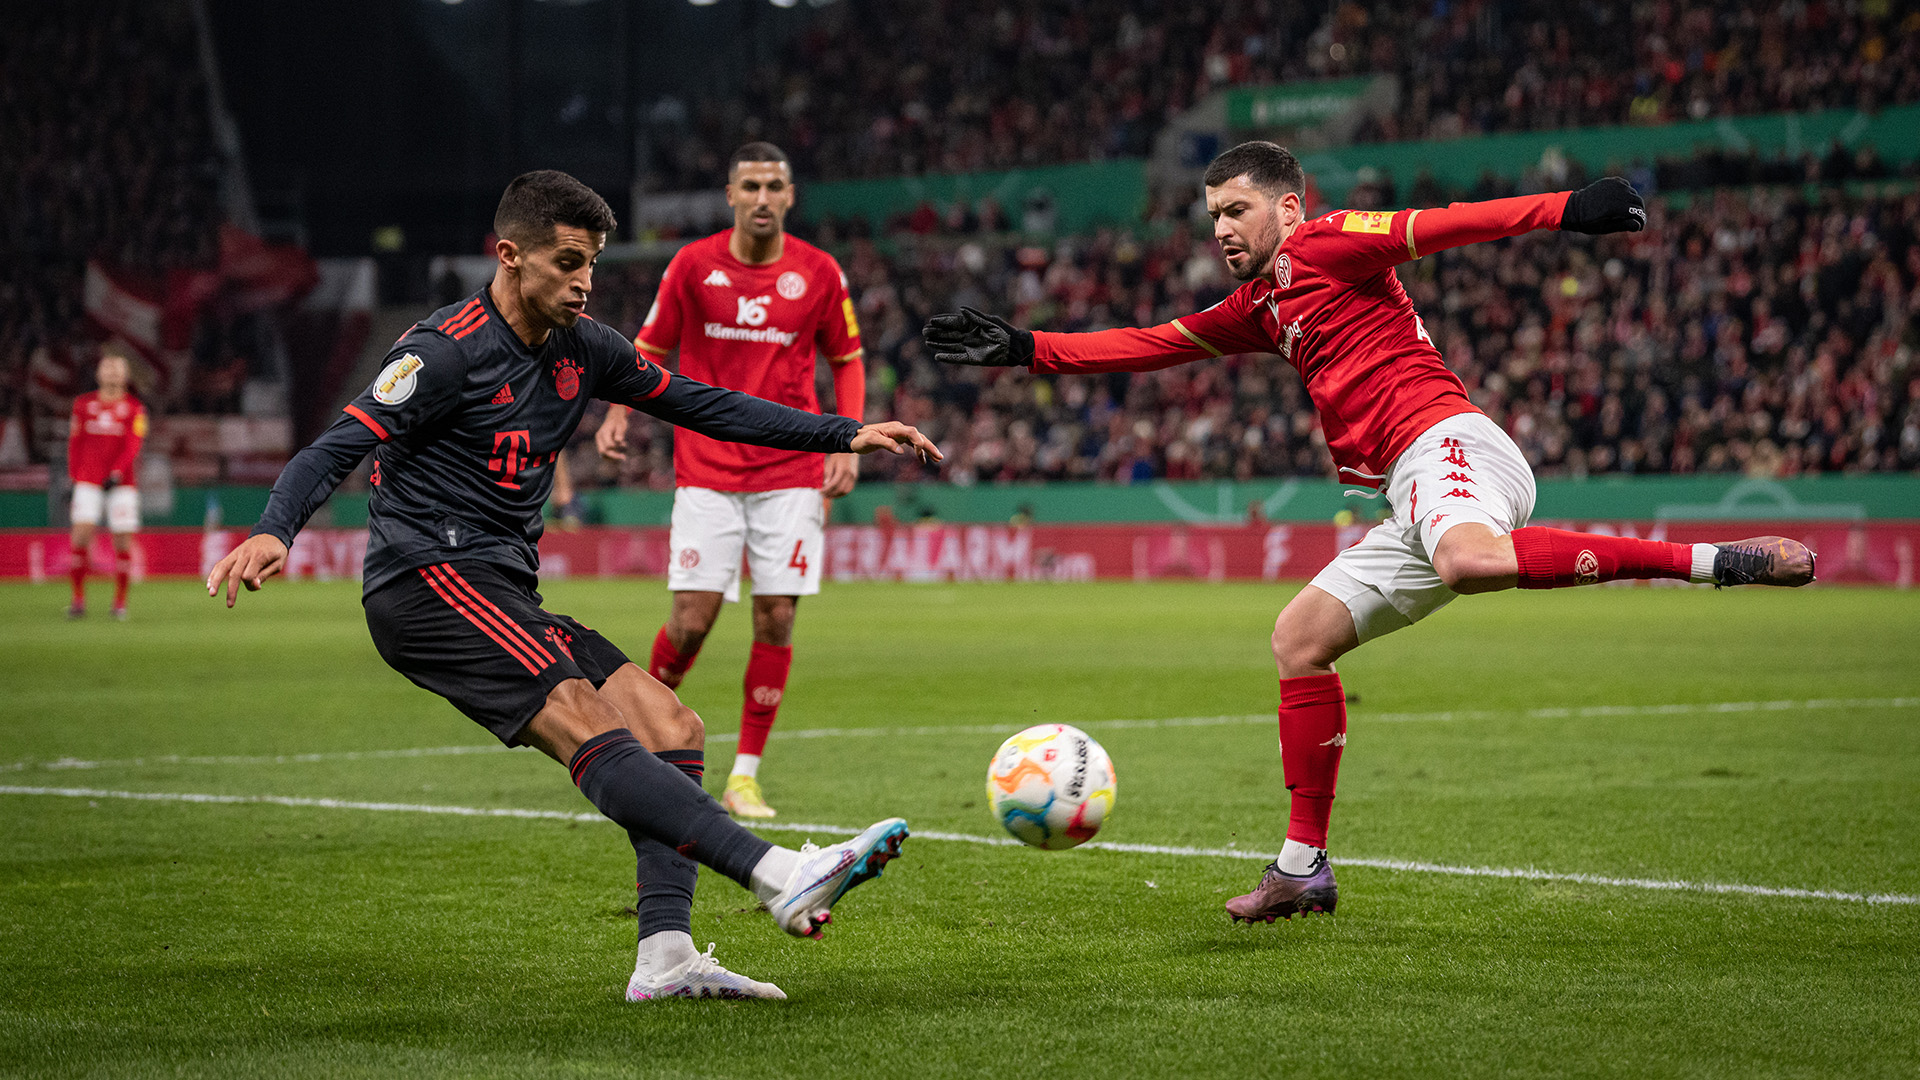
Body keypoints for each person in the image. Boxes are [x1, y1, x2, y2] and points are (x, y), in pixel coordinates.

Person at [924, 141, 1815, 925]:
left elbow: (1442, 223)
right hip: (1407, 490)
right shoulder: (1261, 306)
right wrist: (1025, 348)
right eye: (1211, 217)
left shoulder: (1330, 240)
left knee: (1469, 561)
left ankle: (1712, 561)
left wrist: (1564, 211)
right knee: (1300, 639)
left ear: (1286, 207)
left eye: (1236, 211)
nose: (1222, 230)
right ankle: (1302, 871)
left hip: (1449, 442)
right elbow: (1152, 342)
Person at [209, 170, 943, 1001]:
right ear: (510, 255)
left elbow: (704, 404)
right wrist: (275, 527)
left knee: (671, 722)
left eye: (591, 261)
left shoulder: (584, 346)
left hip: (500, 587)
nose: (585, 280)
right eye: (567, 261)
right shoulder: (441, 351)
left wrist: (842, 430)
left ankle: (665, 956)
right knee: (582, 714)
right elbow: (335, 445)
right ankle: (779, 872)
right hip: (423, 579)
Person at [596, 142, 865, 820]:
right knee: (690, 623)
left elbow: (849, 358)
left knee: (776, 615)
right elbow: (648, 348)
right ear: (731, 194)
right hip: (708, 471)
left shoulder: (820, 272)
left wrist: (849, 437)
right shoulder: (692, 265)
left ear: (791, 195)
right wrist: (619, 410)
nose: (764, 197)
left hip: (791, 472)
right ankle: (638, 743)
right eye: (752, 185)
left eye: (775, 185)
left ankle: (745, 774)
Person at [67, 346, 149, 619]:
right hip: (88, 481)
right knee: (80, 536)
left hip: (122, 483)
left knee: (123, 543)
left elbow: (133, 445)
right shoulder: (82, 405)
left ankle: (120, 603)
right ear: (99, 372)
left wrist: (115, 472)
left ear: (126, 375)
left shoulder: (135, 408)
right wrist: (74, 475)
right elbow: (75, 442)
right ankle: (78, 600)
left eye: (118, 368)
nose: (112, 372)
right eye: (108, 367)